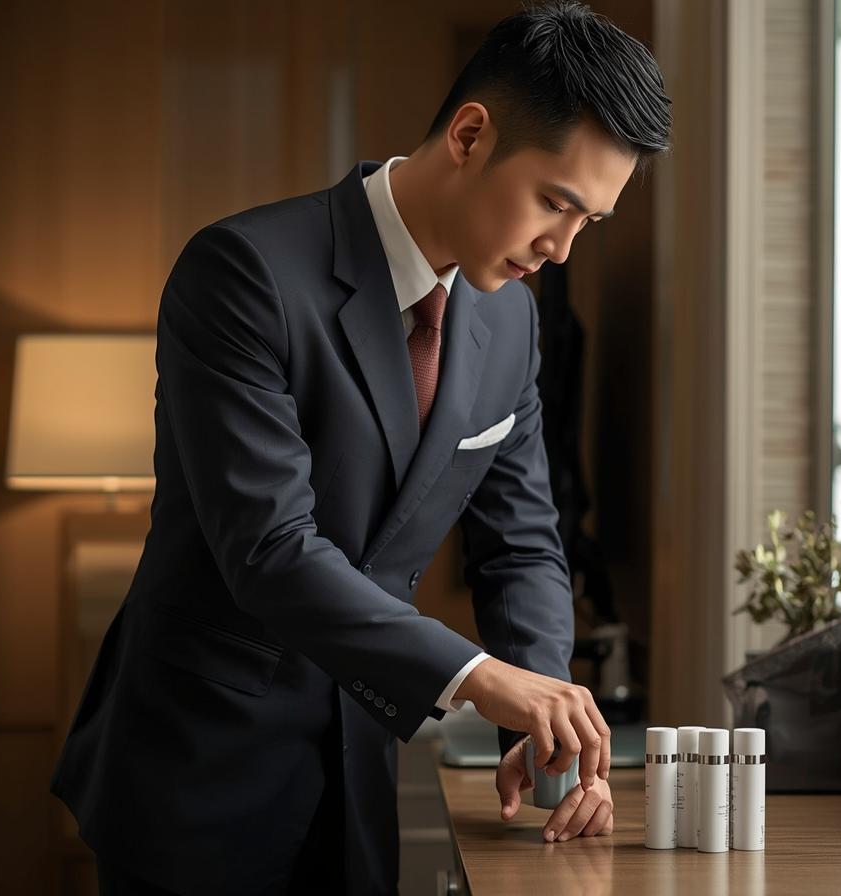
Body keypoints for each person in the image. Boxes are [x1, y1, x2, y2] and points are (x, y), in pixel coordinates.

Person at [49, 3, 672, 893]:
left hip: (361, 769)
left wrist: (545, 730)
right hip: (199, 768)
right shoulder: (243, 274)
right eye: (555, 203)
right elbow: (268, 551)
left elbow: (523, 543)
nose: (562, 248)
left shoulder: (510, 321)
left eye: (589, 223)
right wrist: (479, 677)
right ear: (469, 134)